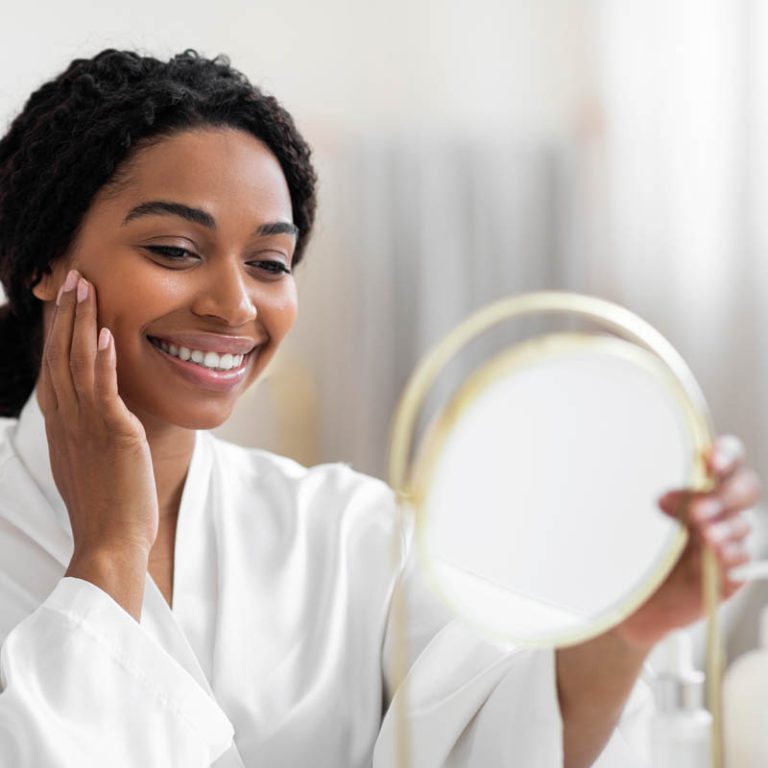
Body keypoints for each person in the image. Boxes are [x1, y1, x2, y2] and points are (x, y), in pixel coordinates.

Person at [0, 49, 759, 768]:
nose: (235, 305)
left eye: (270, 264)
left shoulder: (346, 531)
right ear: (39, 263)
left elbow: (503, 730)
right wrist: (107, 553)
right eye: (173, 250)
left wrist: (631, 627)